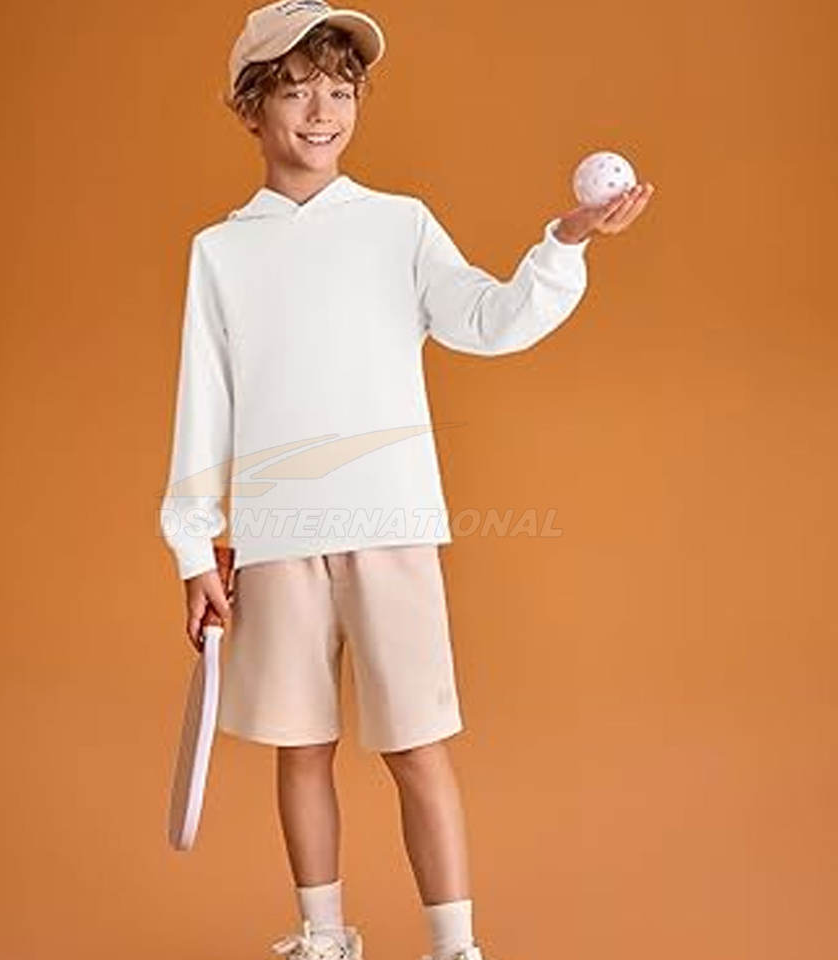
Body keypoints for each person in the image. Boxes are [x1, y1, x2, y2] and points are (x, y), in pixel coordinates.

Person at [158, 3, 654, 959]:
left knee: (417, 745)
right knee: (301, 747)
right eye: (296, 92)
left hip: (393, 528)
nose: (321, 114)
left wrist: (565, 240)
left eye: (340, 92)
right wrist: (192, 547)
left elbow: (490, 321)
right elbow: (203, 404)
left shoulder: (399, 226)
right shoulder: (221, 252)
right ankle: (324, 938)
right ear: (251, 107)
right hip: (275, 541)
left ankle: (453, 948)